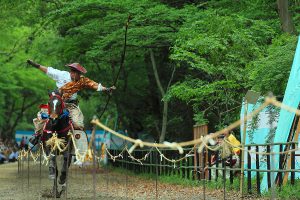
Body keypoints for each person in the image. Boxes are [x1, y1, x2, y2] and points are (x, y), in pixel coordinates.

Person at [27, 59, 115, 182]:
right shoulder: (61, 75)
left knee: (78, 124)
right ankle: (37, 135)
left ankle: (79, 152)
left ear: (80, 74)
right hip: (57, 103)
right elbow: (48, 70)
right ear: (70, 72)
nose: (75, 75)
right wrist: (36, 65)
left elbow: (94, 85)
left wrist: (106, 89)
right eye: (73, 72)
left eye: (77, 73)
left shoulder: (83, 80)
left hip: (72, 106)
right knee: (41, 116)